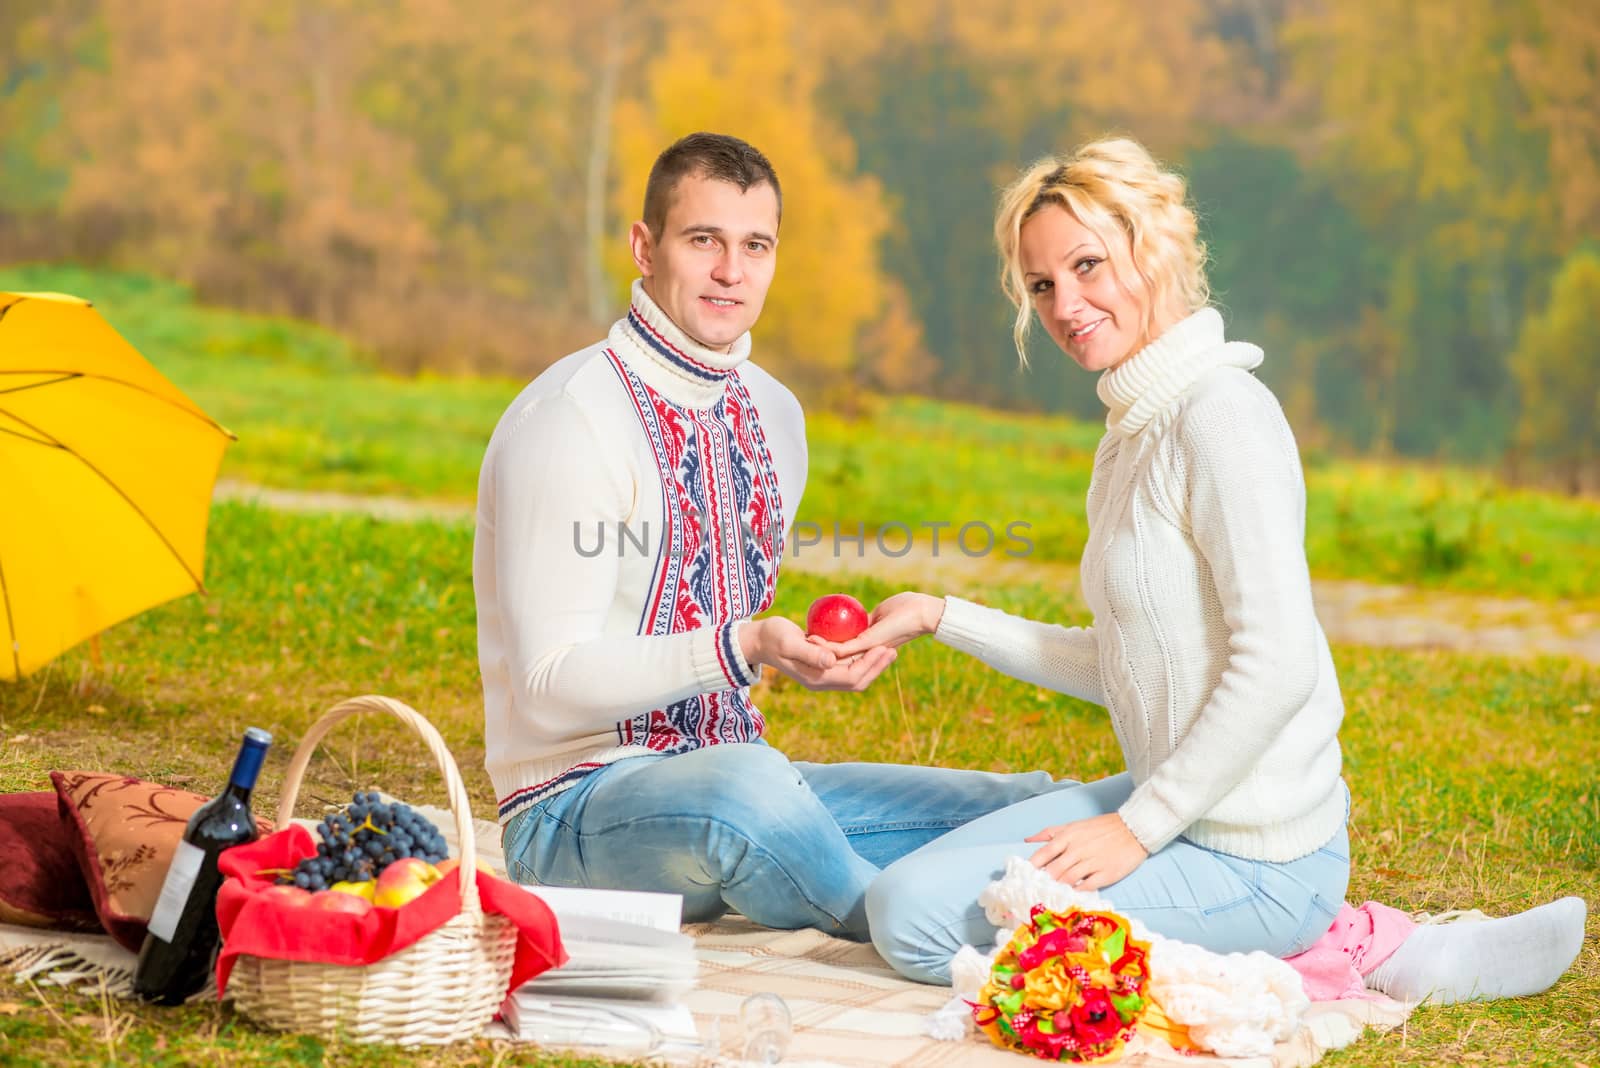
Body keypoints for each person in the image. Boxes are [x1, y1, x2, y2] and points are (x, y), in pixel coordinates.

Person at [826, 137, 1587, 1002]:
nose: (1065, 303)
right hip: (1182, 808)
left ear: (1153, 250)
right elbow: (1123, 660)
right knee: (913, 880)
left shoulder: (1222, 416)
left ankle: (1324, 951)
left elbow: (1279, 660)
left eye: (1088, 266)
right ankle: (1312, 943)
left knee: (911, 920)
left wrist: (1136, 832)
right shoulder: (1135, 430)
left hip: (1259, 855)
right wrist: (938, 614)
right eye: (1041, 284)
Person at [473, 132, 1072, 939]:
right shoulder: (571, 418)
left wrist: (796, 659)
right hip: (574, 811)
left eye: (755, 245)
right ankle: (972, 934)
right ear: (645, 249)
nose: (732, 271)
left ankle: (1118, 902)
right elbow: (547, 685)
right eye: (703, 241)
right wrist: (741, 645)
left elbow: (726, 642)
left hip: (741, 784)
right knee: (747, 792)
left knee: (1029, 809)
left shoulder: (776, 416)